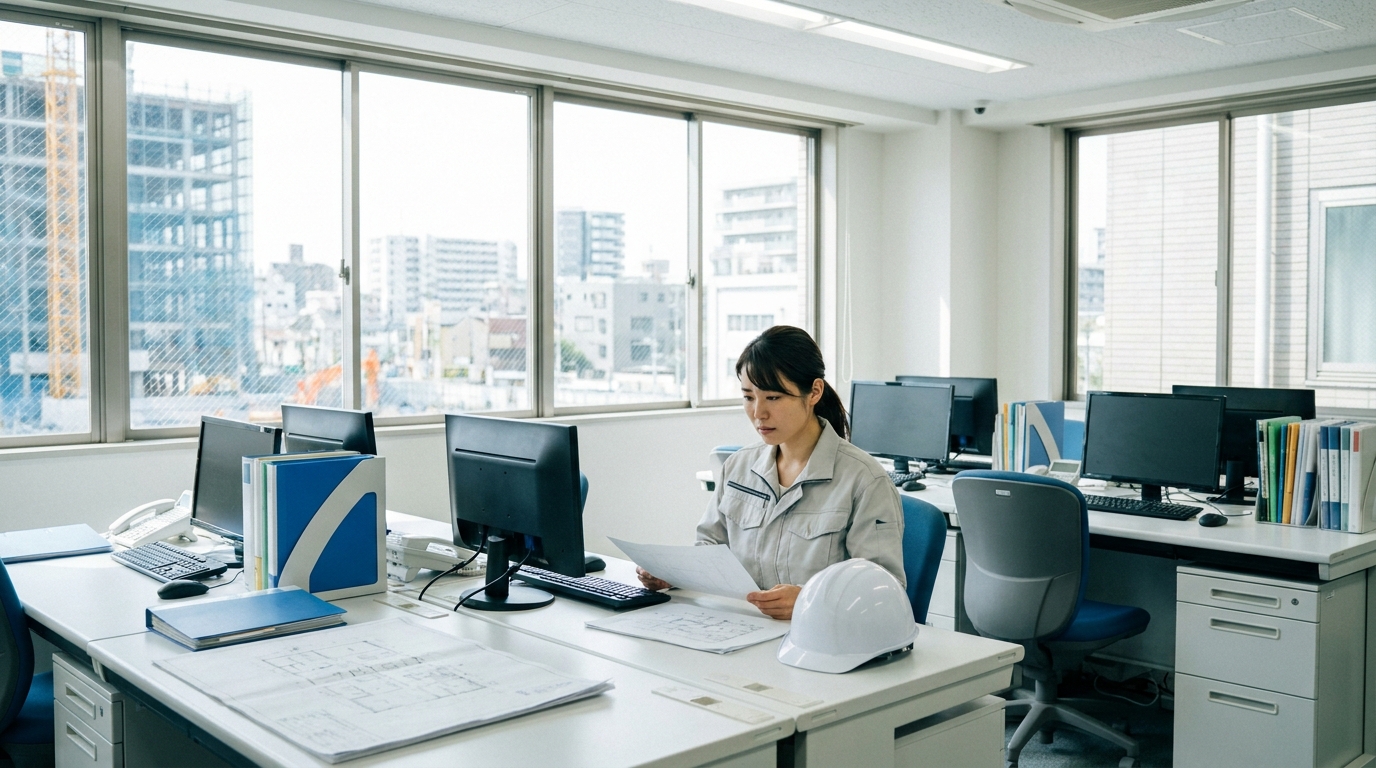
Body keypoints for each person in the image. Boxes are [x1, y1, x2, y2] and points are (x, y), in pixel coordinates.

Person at [637, 325, 905, 620]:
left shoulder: (865, 481)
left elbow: (885, 590)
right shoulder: (738, 467)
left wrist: (810, 598)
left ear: (814, 391)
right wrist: (675, 574)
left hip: (819, 641)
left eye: (773, 398)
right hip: (742, 628)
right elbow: (710, 548)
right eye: (749, 397)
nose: (758, 413)